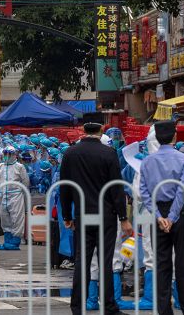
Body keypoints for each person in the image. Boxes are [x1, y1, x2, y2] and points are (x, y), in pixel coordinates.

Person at [61, 122, 132, 315]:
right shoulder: (109, 153)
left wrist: (67, 215)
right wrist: (123, 217)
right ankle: (109, 306)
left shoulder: (70, 153)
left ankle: (77, 306)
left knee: (81, 262)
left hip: (82, 215)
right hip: (106, 215)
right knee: (105, 262)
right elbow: (116, 188)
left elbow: (65, 187)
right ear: (101, 130)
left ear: (83, 130)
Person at [138, 120, 184, 315]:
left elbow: (144, 192)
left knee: (161, 264)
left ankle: (163, 310)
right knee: (183, 264)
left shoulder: (147, 161)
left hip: (157, 213)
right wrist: (172, 217)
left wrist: (160, 217)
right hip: (177, 214)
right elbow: (181, 191)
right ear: (174, 136)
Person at [0, 146, 30, 251]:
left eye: (9, 154)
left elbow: (25, 182)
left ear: (14, 155)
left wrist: (20, 191)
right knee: (5, 218)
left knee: (16, 218)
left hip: (15, 195)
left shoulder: (19, 167)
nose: (7, 156)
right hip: (3, 194)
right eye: (5, 154)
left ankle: (15, 242)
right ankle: (7, 241)